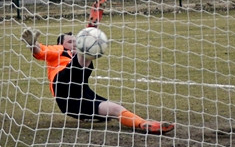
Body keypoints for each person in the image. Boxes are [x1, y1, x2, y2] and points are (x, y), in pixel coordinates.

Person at [23, 28, 173, 134]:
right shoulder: (58, 51)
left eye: (77, 41)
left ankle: (144, 124)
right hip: (63, 87)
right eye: (70, 41)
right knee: (81, 59)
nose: (74, 44)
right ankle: (92, 27)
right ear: (61, 44)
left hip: (77, 98)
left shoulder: (86, 60)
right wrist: (32, 44)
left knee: (115, 109)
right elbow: (40, 51)